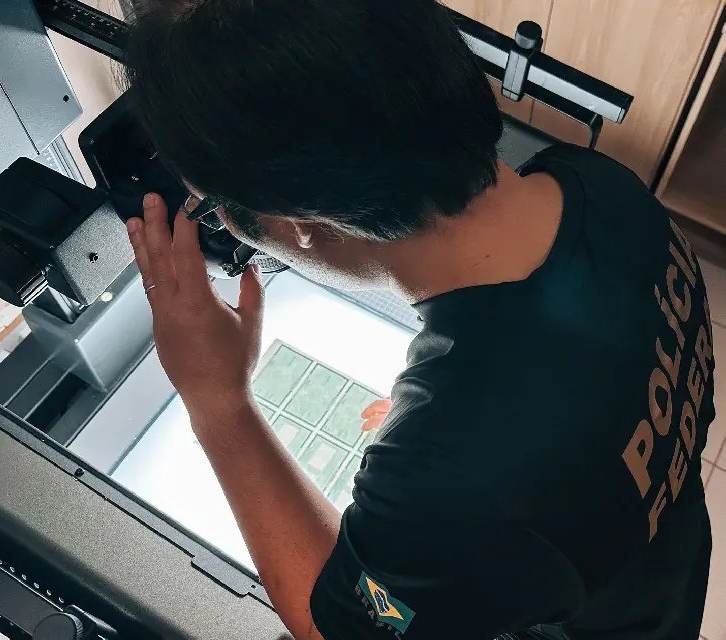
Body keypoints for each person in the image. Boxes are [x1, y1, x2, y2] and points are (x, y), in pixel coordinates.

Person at [122, 1, 716, 638]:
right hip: (658, 572)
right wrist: (444, 446)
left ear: (302, 225)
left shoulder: (456, 484)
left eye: (211, 207)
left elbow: (350, 625)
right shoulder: (601, 184)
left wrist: (218, 402)